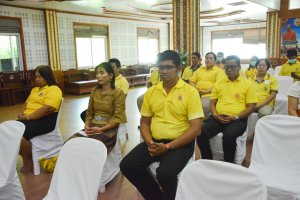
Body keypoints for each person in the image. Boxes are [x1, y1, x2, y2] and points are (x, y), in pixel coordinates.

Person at [120, 50, 203, 200]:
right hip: (155, 141)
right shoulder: (152, 92)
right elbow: (144, 123)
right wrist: (150, 142)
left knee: (165, 173)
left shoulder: (190, 92)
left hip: (180, 144)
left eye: (169, 67)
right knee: (127, 165)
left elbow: (196, 129)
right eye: (161, 67)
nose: (164, 71)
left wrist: (168, 147)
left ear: (179, 69)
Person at [197, 55, 258, 163]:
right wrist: (215, 115)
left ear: (239, 67)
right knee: (201, 133)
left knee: (229, 136)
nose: (229, 69)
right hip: (218, 117)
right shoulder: (219, 83)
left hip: (238, 118)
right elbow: (212, 103)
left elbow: (251, 107)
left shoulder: (248, 84)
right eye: (227, 67)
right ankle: (208, 162)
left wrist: (236, 117)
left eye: (232, 67)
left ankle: (228, 164)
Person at [66, 62, 127, 154]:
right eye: (97, 73)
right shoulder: (95, 90)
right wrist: (87, 126)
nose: (98, 76)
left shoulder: (118, 93)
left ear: (111, 75)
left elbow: (118, 118)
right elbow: (89, 112)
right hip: (93, 126)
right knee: (69, 144)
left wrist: (101, 129)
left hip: (108, 129)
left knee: (87, 148)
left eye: (102, 73)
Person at [18, 65, 62, 172]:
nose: (37, 79)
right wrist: (21, 114)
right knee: (10, 132)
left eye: (40, 77)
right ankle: (25, 156)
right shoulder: (35, 90)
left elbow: (48, 109)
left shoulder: (54, 89)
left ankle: (28, 159)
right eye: (36, 77)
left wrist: (28, 117)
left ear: (47, 76)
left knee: (19, 137)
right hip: (29, 119)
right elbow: (26, 104)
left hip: (44, 121)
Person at [189, 52, 225, 120]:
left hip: (209, 94)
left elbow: (218, 85)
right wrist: (194, 90)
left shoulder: (219, 71)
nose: (208, 60)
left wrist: (206, 91)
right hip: (195, 93)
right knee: (187, 105)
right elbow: (192, 80)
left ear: (215, 61)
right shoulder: (200, 69)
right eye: (207, 58)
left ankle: (202, 126)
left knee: (203, 106)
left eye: (210, 58)